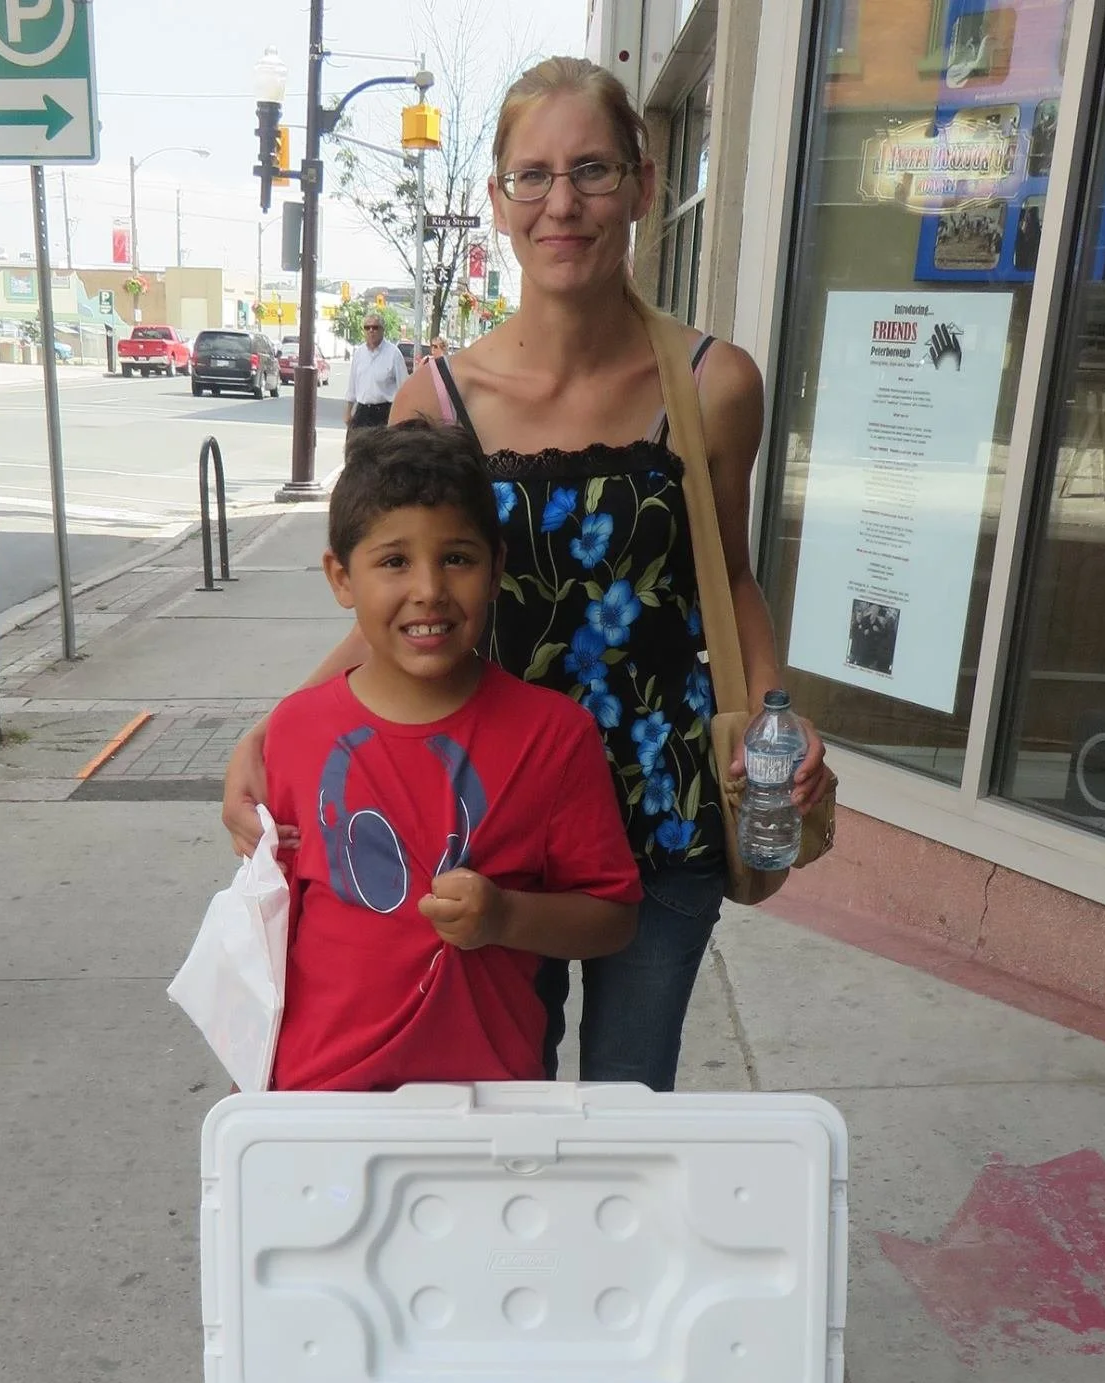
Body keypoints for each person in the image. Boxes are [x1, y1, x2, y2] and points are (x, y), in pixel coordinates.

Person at [227, 55, 826, 1090]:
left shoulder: (712, 384)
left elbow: (728, 577)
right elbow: (397, 605)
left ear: (641, 185)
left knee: (627, 1097)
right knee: (497, 1097)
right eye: (532, 176)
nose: (562, 203)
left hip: (660, 801)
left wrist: (775, 720)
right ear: (498, 201)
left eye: (591, 170)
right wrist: (277, 728)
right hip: (485, 812)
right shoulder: (439, 398)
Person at [263, 419, 639, 1091]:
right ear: (341, 577)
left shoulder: (555, 737)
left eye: (457, 558)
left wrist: (505, 917)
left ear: (495, 570)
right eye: (394, 561)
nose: (429, 589)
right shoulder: (294, 730)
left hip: (489, 1103)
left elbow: (611, 918)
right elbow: (268, 925)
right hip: (318, 1096)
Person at [343, 311, 407, 452]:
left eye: (375, 327)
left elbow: (404, 388)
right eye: (367, 328)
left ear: (382, 330)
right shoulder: (359, 353)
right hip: (362, 412)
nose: (371, 331)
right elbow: (352, 386)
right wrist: (348, 412)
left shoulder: (394, 354)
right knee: (355, 453)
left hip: (384, 413)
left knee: (382, 455)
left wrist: (400, 417)